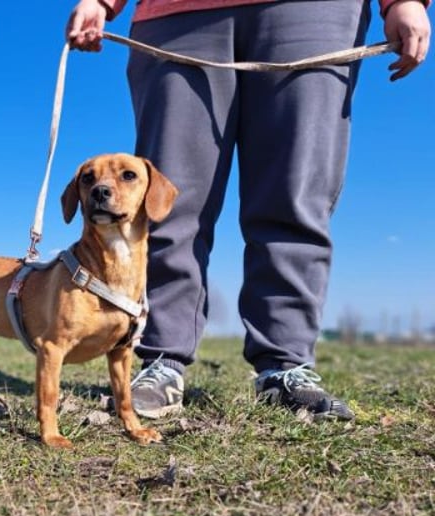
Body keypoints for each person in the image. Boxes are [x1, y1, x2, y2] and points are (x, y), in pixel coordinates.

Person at [65, 0, 430, 420]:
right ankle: (161, 361)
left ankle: (285, 364)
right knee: (167, 205)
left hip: (312, 13)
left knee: (293, 195)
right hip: (175, 17)